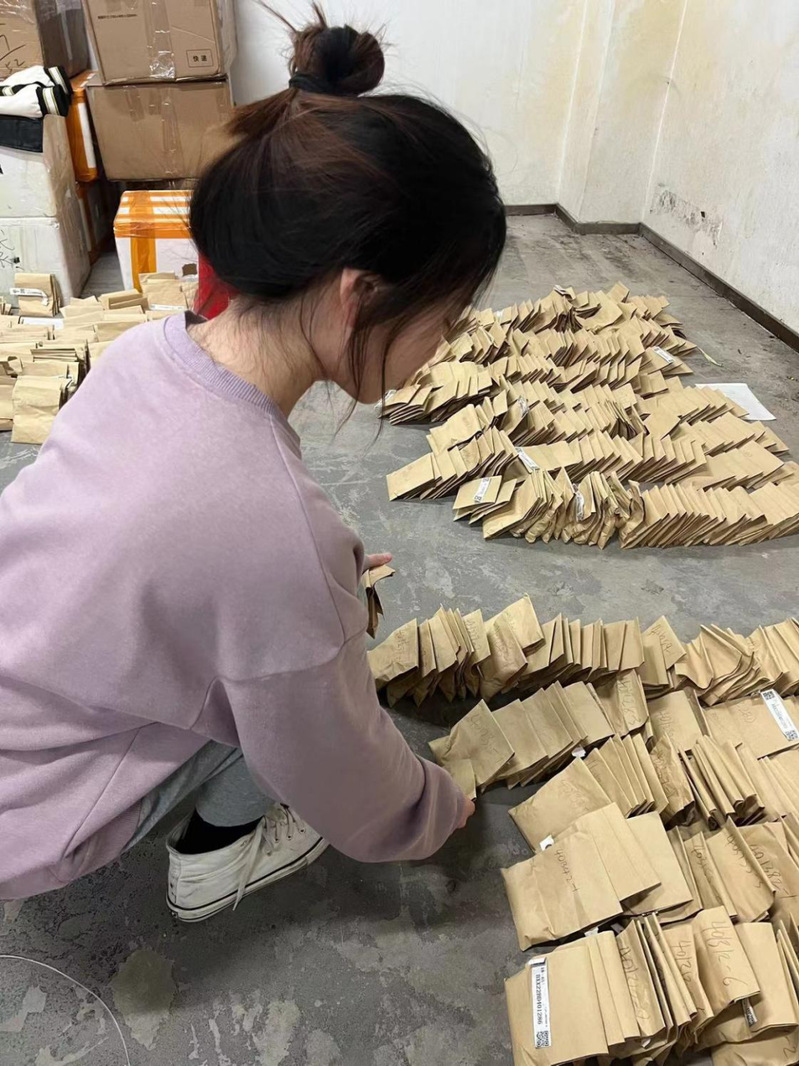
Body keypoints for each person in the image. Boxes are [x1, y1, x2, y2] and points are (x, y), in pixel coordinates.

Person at [0, 8, 506, 921]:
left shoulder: (149, 351)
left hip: (25, 678)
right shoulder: (271, 533)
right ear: (360, 295)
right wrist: (432, 809)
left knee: (296, 628)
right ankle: (211, 861)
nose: (443, 346)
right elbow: (332, 759)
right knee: (300, 693)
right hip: (26, 808)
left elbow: (162, 533)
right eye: (445, 317)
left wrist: (299, 584)